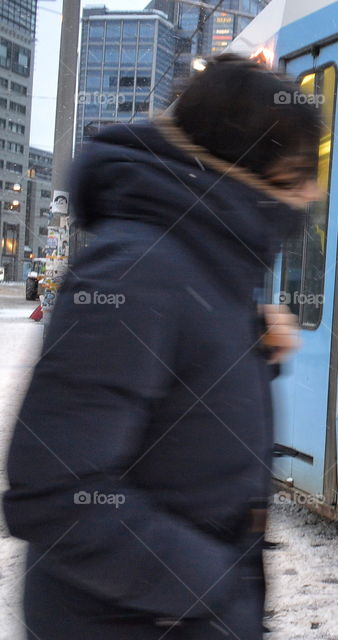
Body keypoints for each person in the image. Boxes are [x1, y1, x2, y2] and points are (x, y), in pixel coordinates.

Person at [3, 54, 321, 639]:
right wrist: (210, 582)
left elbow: (176, 417)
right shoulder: (135, 271)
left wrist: (249, 352)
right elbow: (56, 491)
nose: (313, 190)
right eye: (301, 169)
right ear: (248, 165)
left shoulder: (199, 258)